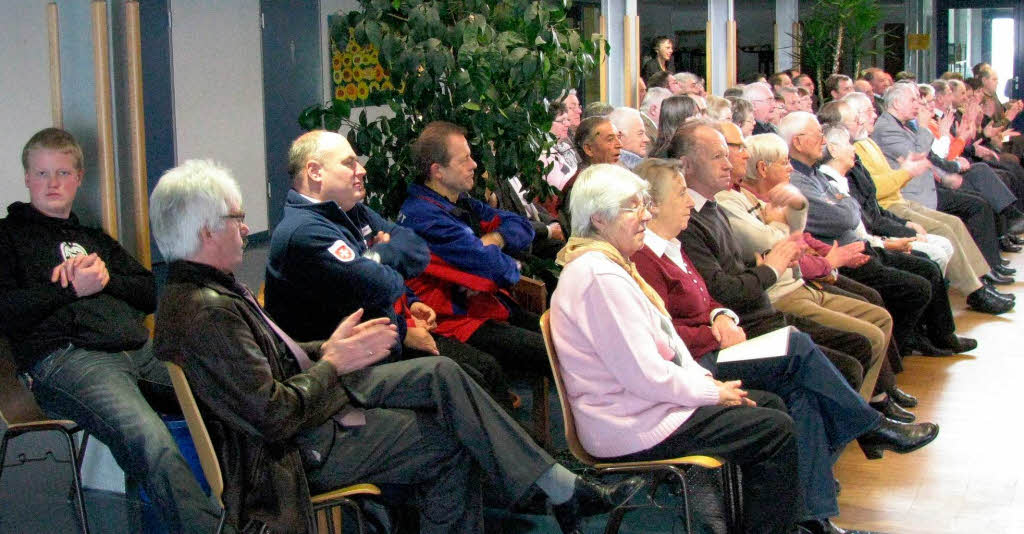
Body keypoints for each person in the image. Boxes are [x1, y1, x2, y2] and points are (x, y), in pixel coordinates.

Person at [150, 158, 642, 534]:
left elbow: (271, 362)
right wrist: (335, 363)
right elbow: (274, 415)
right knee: (451, 440)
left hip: (307, 410)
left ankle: (556, 487)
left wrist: (331, 347)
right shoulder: (206, 309)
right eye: (235, 219)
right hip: (289, 455)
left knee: (440, 374)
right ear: (204, 230)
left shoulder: (204, 291)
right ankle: (557, 490)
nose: (244, 229)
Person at [630, 158, 938, 533]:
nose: (690, 203)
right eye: (681, 195)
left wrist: (720, 317)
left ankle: (814, 520)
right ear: (654, 205)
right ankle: (868, 426)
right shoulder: (647, 257)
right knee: (797, 347)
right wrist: (714, 331)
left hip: (718, 345)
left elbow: (707, 299)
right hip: (696, 365)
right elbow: (666, 334)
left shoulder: (672, 245)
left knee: (802, 395)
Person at [0, 128, 224, 533]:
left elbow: (146, 292)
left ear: (79, 178)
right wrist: (66, 287)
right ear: (27, 178)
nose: (53, 183)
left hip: (137, 350)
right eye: (43, 174)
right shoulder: (6, 238)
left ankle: (254, 508)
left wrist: (105, 282)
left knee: (231, 392)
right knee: (149, 438)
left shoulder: (93, 239)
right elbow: (6, 312)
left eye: (63, 173)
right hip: (67, 361)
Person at [264, 130, 518, 408]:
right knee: (467, 385)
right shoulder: (304, 232)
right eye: (349, 163)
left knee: (474, 379)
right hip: (343, 377)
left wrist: (395, 283)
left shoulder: (351, 210)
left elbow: (416, 249)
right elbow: (381, 286)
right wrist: (384, 255)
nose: (361, 170)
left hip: (385, 342)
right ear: (314, 172)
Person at [398, 121, 551, 380]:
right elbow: (497, 272)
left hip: (484, 304)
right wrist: (509, 266)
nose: (475, 165)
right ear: (438, 171)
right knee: (554, 353)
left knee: (562, 342)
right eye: (465, 159)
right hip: (454, 320)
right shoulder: (424, 217)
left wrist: (494, 239)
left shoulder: (459, 202)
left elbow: (521, 225)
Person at [844, 91, 1014, 314]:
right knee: (949, 225)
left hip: (902, 197)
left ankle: (981, 281)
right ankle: (976, 290)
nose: (874, 114)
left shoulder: (868, 141)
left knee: (954, 222)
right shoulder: (876, 135)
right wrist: (910, 167)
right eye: (868, 111)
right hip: (894, 203)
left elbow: (918, 162)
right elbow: (888, 180)